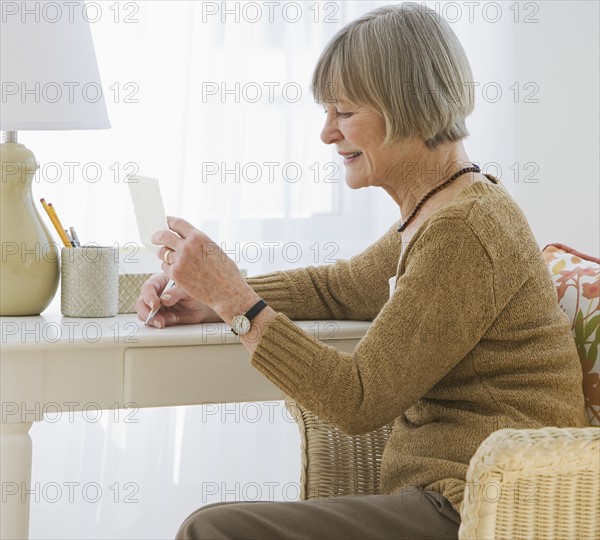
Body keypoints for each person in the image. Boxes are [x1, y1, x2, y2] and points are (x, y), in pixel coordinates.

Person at [135, 4, 587, 539]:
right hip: (441, 497)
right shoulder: (440, 210)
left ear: (412, 109)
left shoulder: (463, 232)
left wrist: (236, 303)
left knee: (214, 530)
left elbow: (357, 399)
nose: (326, 134)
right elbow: (340, 287)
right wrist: (211, 296)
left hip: (482, 510)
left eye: (343, 113)